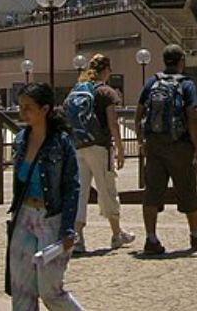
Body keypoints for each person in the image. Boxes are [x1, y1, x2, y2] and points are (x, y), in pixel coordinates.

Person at [7, 82, 83, 310]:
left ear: (45, 109)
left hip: (51, 219)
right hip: (24, 218)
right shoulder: (20, 139)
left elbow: (72, 186)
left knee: (50, 292)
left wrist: (69, 228)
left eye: (29, 107)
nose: (23, 112)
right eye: (21, 107)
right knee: (22, 290)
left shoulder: (61, 142)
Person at [134, 44, 197, 254]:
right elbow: (192, 117)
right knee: (188, 187)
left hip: (154, 145)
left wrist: (141, 139)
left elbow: (139, 111)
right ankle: (195, 235)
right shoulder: (186, 84)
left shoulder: (152, 81)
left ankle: (151, 239)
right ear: (181, 61)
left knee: (152, 190)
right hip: (179, 145)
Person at [67, 54, 134, 254]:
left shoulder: (77, 90)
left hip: (78, 145)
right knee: (107, 188)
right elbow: (113, 123)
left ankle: (78, 238)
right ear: (105, 70)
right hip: (99, 146)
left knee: (80, 191)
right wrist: (120, 148)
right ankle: (116, 233)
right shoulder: (106, 92)